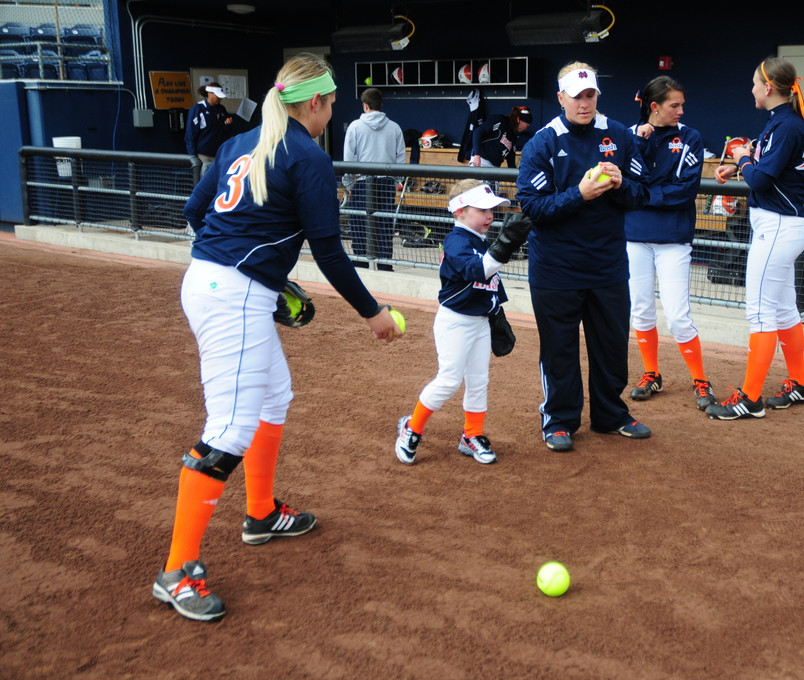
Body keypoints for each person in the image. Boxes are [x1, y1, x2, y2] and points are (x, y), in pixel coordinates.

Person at [152, 54, 401, 623]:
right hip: (234, 295)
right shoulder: (308, 155)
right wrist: (373, 312)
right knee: (229, 430)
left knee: (273, 398)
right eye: (332, 101)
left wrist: (251, 263)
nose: (333, 110)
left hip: (214, 282)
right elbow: (330, 250)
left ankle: (260, 513)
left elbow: (196, 211)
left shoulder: (242, 142)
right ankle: (177, 570)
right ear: (313, 103)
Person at [516, 61, 651, 452]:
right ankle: (559, 420)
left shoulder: (621, 136)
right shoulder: (542, 143)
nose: (584, 103)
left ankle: (611, 415)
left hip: (607, 265)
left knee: (610, 346)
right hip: (556, 268)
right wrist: (581, 194)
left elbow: (642, 194)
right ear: (561, 99)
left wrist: (622, 183)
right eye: (576, 97)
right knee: (559, 348)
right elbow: (531, 207)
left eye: (590, 95)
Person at [706, 57, 804, 420]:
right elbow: (764, 170)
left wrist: (741, 157)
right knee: (784, 310)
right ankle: (799, 382)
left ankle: (750, 398)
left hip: (779, 227)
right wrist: (741, 163)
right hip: (781, 226)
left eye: (755, 83)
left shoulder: (786, 125)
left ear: (769, 88)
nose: (752, 89)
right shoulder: (782, 122)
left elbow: (760, 180)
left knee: (760, 312)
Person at [394, 180, 532, 465]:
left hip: (480, 322)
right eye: (482, 209)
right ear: (459, 212)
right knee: (449, 380)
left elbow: (490, 285)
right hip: (454, 322)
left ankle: (471, 434)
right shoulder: (456, 241)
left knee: (479, 381)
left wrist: (495, 313)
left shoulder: (479, 241)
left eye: (491, 209)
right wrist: (506, 244)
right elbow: (477, 271)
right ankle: (412, 427)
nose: (490, 215)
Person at [625, 76, 718, 411]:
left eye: (682, 104)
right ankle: (651, 373)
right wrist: (640, 149)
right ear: (654, 107)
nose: (681, 110)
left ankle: (700, 379)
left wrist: (644, 193)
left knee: (678, 315)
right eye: (673, 105)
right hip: (634, 235)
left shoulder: (690, 137)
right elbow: (625, 185)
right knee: (641, 310)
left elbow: (685, 190)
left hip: (673, 237)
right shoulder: (629, 137)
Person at [343, 87, 406, 271]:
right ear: (382, 104)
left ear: (365, 105)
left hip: (362, 182)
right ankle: (385, 265)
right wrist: (396, 181)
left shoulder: (355, 126)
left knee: (359, 223)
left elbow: (348, 158)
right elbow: (400, 157)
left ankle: (361, 264)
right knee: (384, 224)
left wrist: (348, 183)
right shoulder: (394, 127)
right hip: (386, 182)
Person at [185, 82, 234, 177]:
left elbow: (226, 132)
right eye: (217, 96)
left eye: (221, 97)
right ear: (209, 93)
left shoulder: (221, 109)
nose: (219, 99)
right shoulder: (198, 108)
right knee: (204, 181)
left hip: (219, 153)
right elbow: (190, 134)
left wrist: (228, 125)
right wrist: (192, 155)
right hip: (203, 155)